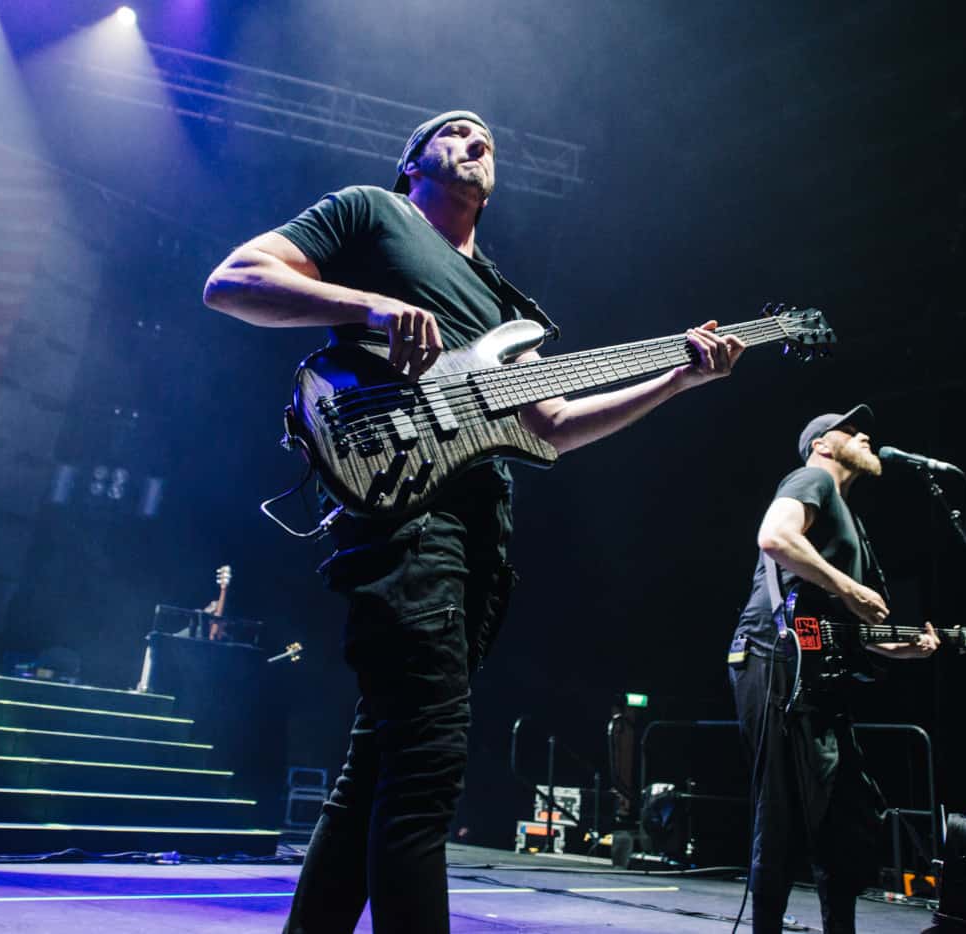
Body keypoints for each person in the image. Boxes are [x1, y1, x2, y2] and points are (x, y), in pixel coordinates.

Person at [202, 110, 745, 934]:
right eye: (454, 131)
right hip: (405, 522)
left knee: (375, 770)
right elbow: (234, 281)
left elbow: (554, 424)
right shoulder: (370, 213)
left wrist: (676, 379)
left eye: (487, 136)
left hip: (477, 538)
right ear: (414, 160)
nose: (476, 139)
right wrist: (374, 308)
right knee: (424, 772)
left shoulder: (500, 300)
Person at [728, 404, 939, 934]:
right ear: (822, 444)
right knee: (778, 815)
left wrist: (902, 648)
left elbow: (843, 629)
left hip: (817, 669)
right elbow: (775, 537)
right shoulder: (810, 479)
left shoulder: (853, 521)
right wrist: (848, 586)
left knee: (840, 817)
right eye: (851, 429)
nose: (865, 433)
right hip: (773, 657)